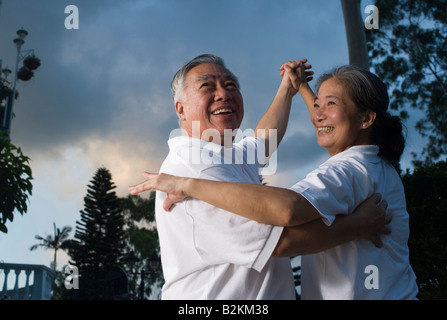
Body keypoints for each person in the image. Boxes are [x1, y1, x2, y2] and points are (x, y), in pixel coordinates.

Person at [129, 55, 389, 300]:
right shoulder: (197, 169)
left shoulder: (221, 153)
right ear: (181, 109)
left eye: (230, 85)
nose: (223, 94)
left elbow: (263, 139)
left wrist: (287, 88)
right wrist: (359, 226)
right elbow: (282, 241)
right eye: (207, 87)